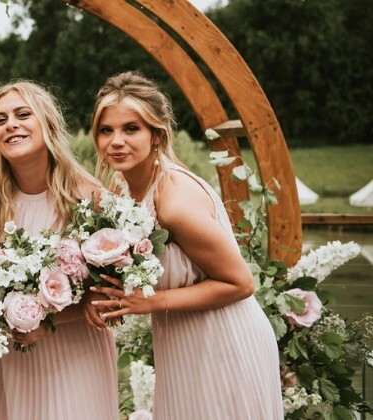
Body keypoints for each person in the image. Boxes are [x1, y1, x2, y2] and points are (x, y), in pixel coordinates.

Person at [85, 71, 283, 419]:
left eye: (131, 129)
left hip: (224, 341)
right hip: (179, 342)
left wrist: (152, 301)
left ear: (156, 134)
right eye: (107, 130)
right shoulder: (123, 189)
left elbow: (241, 283)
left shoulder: (175, 202)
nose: (116, 141)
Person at [0, 80, 119, 420]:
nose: (11, 124)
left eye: (23, 114)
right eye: (1, 120)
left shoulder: (89, 197)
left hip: (77, 354)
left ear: (48, 124)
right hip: (13, 357)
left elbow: (110, 292)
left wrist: (51, 320)